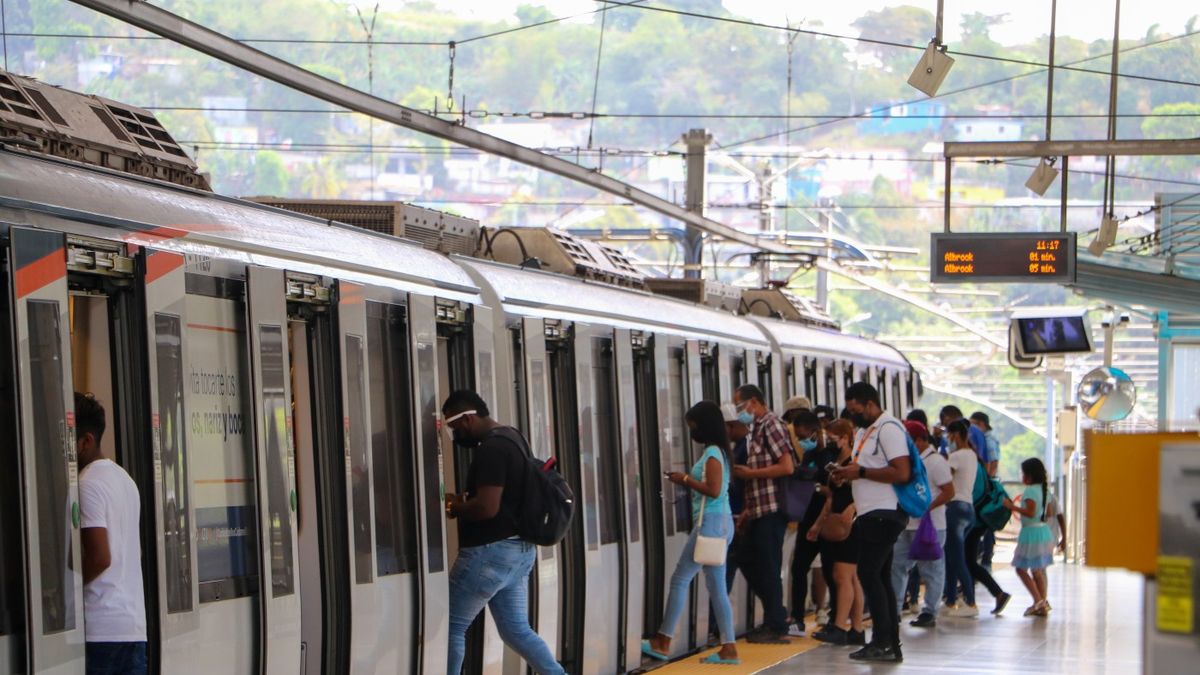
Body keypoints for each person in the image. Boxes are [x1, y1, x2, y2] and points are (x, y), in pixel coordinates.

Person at [442, 390, 564, 675]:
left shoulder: (492, 449)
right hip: (519, 552)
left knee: (451, 624)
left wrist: (454, 506)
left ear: (468, 419)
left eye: (453, 427)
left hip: (489, 553)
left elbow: (487, 507)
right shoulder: (513, 437)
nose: (454, 434)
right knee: (516, 630)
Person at [644, 402, 740, 665]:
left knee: (680, 579)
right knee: (717, 587)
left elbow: (714, 489)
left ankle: (663, 640)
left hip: (710, 523)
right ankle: (729, 647)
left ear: (704, 425)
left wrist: (684, 479)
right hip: (721, 524)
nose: (692, 431)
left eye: (693, 426)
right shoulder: (720, 451)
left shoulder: (712, 453)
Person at [830, 382, 912, 663]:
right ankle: (889, 642)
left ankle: (883, 641)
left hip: (885, 512)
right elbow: (865, 470)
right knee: (880, 577)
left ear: (869, 404)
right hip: (871, 513)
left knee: (868, 574)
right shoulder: (868, 430)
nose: (853, 416)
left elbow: (901, 472)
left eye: (856, 411)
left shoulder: (889, 429)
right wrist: (847, 474)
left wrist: (861, 471)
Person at [76, 392, 148, 675]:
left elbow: (100, 557)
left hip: (101, 631)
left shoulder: (87, 483)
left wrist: (62, 592)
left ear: (87, 441)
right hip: (132, 629)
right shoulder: (125, 480)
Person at [731, 384, 795, 644]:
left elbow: (787, 466)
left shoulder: (772, 425)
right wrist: (748, 509)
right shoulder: (755, 430)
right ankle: (775, 613)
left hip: (772, 509)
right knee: (746, 557)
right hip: (758, 508)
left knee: (769, 566)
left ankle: (776, 624)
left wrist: (750, 474)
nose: (739, 412)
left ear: (753, 402)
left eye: (740, 406)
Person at [890, 421, 954, 628]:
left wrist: (927, 507)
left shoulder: (936, 462)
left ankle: (930, 611)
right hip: (906, 524)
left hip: (931, 526)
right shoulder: (907, 461)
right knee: (897, 566)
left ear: (919, 440)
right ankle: (894, 609)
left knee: (932, 569)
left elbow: (949, 491)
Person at [809, 419, 865, 646]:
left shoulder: (856, 463)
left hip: (851, 525)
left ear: (846, 437)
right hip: (838, 522)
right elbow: (832, 497)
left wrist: (852, 510)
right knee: (851, 577)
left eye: (835, 438)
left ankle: (841, 626)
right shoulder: (837, 463)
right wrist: (818, 523)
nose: (831, 441)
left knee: (843, 576)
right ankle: (857, 628)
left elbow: (863, 492)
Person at [787, 409, 836, 636]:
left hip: (827, 520)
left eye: (803, 435)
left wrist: (814, 485)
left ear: (816, 432)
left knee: (831, 569)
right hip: (808, 519)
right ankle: (797, 618)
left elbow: (832, 490)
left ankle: (834, 617)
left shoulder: (831, 455)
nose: (801, 440)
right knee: (799, 568)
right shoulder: (807, 456)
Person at [1006, 458, 1055, 617]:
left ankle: (1038, 600)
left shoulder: (1029, 491)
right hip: (1043, 532)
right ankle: (1041, 602)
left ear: (1029, 475)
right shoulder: (1044, 490)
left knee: (1021, 569)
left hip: (1030, 534)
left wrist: (1011, 506)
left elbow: (1031, 512)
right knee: (1038, 570)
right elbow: (1048, 513)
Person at [942, 419, 980, 617]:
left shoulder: (956, 456)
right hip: (968, 508)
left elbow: (943, 479)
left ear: (955, 435)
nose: (949, 439)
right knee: (952, 556)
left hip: (955, 509)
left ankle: (970, 603)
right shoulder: (972, 455)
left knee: (956, 558)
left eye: (949, 435)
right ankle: (950, 600)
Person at [970, 412, 1001, 569]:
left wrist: (985, 482)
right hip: (989, 485)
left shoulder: (988, 440)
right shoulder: (988, 439)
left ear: (982, 424)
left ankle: (986, 557)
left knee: (986, 523)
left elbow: (992, 463)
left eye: (974, 424)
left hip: (988, 488)